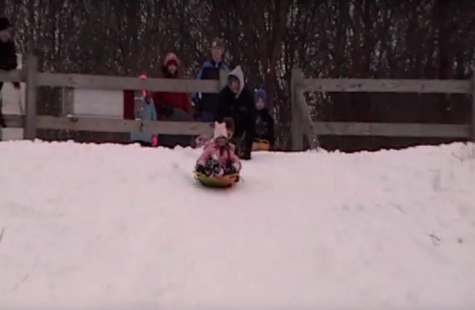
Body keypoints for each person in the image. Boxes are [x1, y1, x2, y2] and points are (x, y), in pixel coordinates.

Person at [215, 65, 257, 160]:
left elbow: (252, 124)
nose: (234, 85)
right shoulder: (223, 96)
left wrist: (248, 146)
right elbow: (218, 117)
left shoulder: (248, 98)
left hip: (242, 134)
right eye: (232, 82)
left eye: (236, 82)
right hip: (225, 133)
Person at [152, 52, 194, 148]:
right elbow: (155, 99)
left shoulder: (180, 82)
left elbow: (185, 101)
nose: (172, 67)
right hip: (167, 115)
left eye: (174, 65)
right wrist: (163, 106)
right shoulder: (162, 81)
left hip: (180, 115)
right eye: (170, 65)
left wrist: (187, 113)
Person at [191, 37, 228, 122]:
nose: (216, 51)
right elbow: (197, 83)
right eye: (214, 48)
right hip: (207, 109)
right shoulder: (206, 67)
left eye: (218, 48)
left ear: (222, 51)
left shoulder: (225, 69)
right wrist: (196, 99)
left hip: (220, 109)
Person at [0, 16, 19, 131]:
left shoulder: (9, 45)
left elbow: (13, 62)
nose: (7, 34)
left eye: (8, 31)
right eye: (4, 31)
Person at [129, 75, 158, 147]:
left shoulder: (150, 100)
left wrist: (154, 135)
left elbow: (153, 118)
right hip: (135, 137)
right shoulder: (132, 98)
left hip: (146, 138)